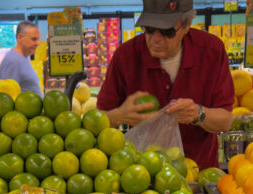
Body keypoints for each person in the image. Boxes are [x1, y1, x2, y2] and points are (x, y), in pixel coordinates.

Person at [97, 0, 234, 169]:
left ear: (186, 26)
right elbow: (98, 120)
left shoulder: (211, 51)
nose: (155, 39)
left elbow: (226, 121)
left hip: (197, 172)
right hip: (142, 174)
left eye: (167, 32)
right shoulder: (125, 57)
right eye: (148, 29)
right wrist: (119, 116)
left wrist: (198, 114)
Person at [0, 21, 42, 96]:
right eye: (33, 39)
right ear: (20, 37)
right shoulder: (13, 61)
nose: (37, 43)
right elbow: (7, 97)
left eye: (37, 39)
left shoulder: (25, 57)